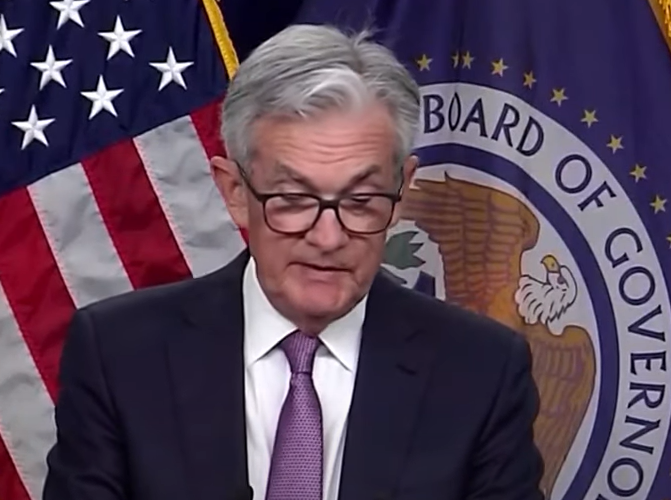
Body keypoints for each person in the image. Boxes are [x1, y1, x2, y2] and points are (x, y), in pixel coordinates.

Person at [42, 24, 545, 500]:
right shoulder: (120, 356)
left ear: (402, 192)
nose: (328, 238)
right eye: (293, 200)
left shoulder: (481, 372)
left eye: (361, 201)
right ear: (234, 191)